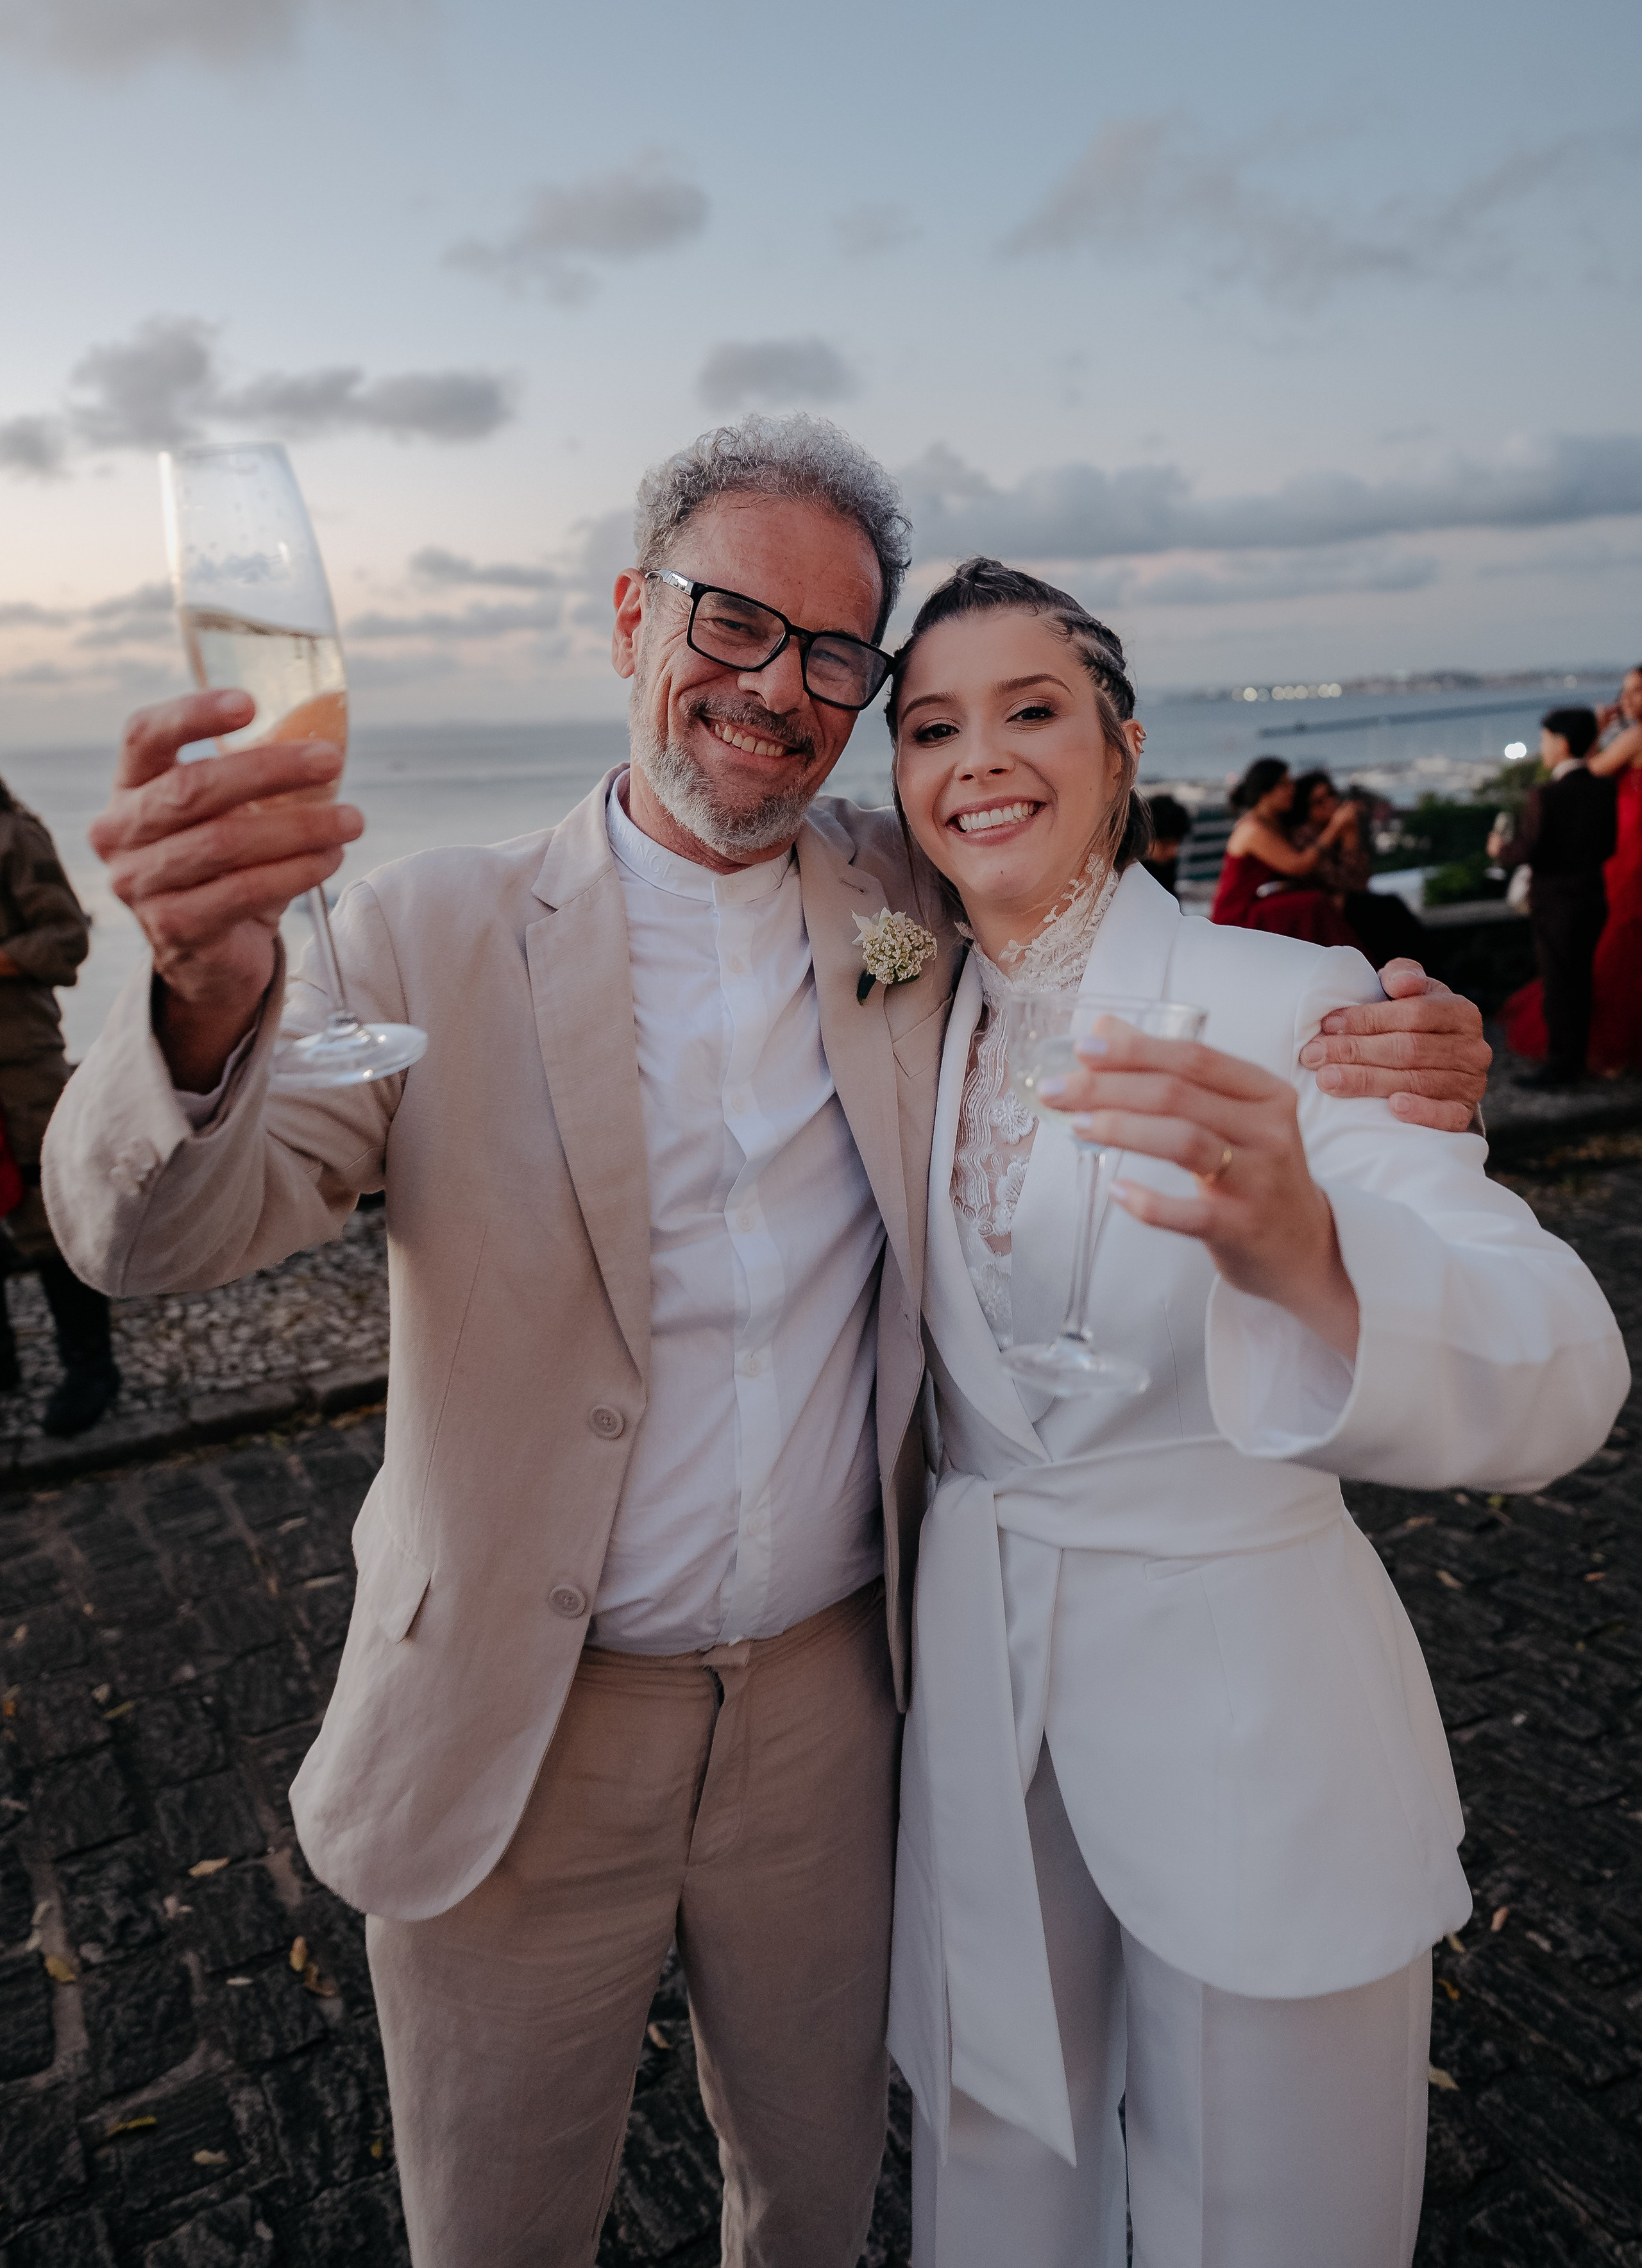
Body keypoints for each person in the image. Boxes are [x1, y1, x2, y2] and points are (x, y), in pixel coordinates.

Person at [41, 421, 1493, 2268]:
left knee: (814, 2201)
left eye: (833, 655)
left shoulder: (904, 903)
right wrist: (196, 1001)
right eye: (731, 620)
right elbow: (155, 1237)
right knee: (497, 2227)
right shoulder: (425, 928)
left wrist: (1380, 1035)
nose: (777, 687)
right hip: (527, 1719)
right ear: (631, 617)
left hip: (835, 1712)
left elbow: (1081, 913)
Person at [881, 562, 1627, 2268]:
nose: (977, 756)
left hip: (1251, 1724)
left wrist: (1316, 1257)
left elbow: (1559, 1362)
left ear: (1124, 745)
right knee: (998, 2181)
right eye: (929, 727)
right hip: (979, 1710)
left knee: (1270, 2213)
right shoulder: (897, 1004)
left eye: (1030, 709)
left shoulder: (1302, 1007)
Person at [0, 775, 122, 1435]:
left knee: (47, 1211)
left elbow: (67, 936)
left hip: (18, 1059)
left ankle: (91, 1369)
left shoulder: (14, 834)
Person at [1501, 669, 1642, 1075]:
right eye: (1626, 690)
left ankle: (1579, 1055)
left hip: (1629, 849)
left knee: (1594, 957)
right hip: (1620, 845)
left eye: (1638, 690)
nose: (1627, 699)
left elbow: (1583, 773)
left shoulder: (1635, 736)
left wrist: (1594, 732)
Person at [1490, 708, 1618, 1088]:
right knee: (1581, 982)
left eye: (1545, 739)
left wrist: (1499, 849)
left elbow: (1531, 849)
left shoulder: (1546, 795)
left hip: (1555, 903)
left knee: (1560, 986)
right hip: (1592, 897)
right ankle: (1574, 1061)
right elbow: (1609, 846)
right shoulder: (1603, 789)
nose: (1543, 747)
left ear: (1562, 743)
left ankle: (1562, 1067)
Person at [1288, 768, 1427, 970]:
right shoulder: (1303, 837)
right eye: (1319, 802)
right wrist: (1337, 829)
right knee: (1388, 911)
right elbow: (1342, 883)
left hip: (1349, 903)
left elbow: (1361, 880)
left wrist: (1350, 833)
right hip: (1327, 911)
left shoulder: (1335, 830)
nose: (1330, 803)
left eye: (1331, 795)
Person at [1210, 756, 1357, 946]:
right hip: (1239, 915)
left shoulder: (1272, 822)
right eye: (1284, 784)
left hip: (1257, 904)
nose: (1292, 789)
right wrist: (1335, 829)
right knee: (1314, 903)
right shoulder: (1252, 829)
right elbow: (1298, 865)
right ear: (1266, 791)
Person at [1139, 790, 1190, 894]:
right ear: (1145, 839)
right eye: (1165, 844)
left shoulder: (1166, 865)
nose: (1173, 852)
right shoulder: (1130, 873)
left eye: (1177, 844)